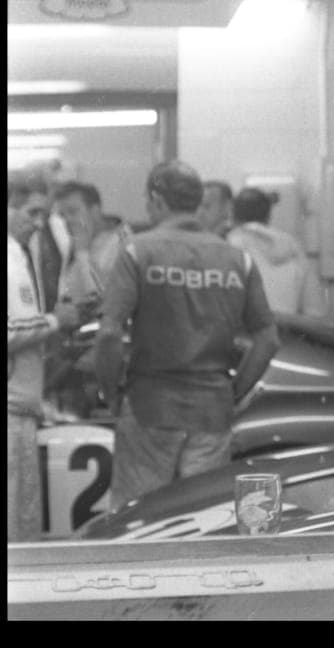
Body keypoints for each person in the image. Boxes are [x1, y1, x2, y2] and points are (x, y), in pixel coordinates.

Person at [94, 160, 279, 510]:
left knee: (141, 522)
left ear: (157, 199)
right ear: (197, 202)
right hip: (212, 412)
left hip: (150, 408)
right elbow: (268, 338)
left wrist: (110, 392)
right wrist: (233, 392)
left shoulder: (137, 252)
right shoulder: (237, 259)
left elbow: (108, 334)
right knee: (202, 521)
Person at [8, 179, 81, 541]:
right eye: (30, 212)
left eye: (43, 213)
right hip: (9, 412)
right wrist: (54, 320)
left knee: (23, 530)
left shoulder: (19, 256)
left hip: (22, 409)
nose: (38, 223)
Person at [51, 181, 134, 416]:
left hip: (105, 358)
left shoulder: (123, 244)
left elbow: (101, 300)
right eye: (63, 214)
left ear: (96, 210)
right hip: (74, 352)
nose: (68, 220)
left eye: (74, 211)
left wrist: (83, 254)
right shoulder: (75, 246)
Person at [226, 186, 326, 317]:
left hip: (244, 334)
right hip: (288, 332)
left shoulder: (226, 249)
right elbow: (315, 310)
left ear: (232, 216)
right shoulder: (293, 250)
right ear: (268, 216)